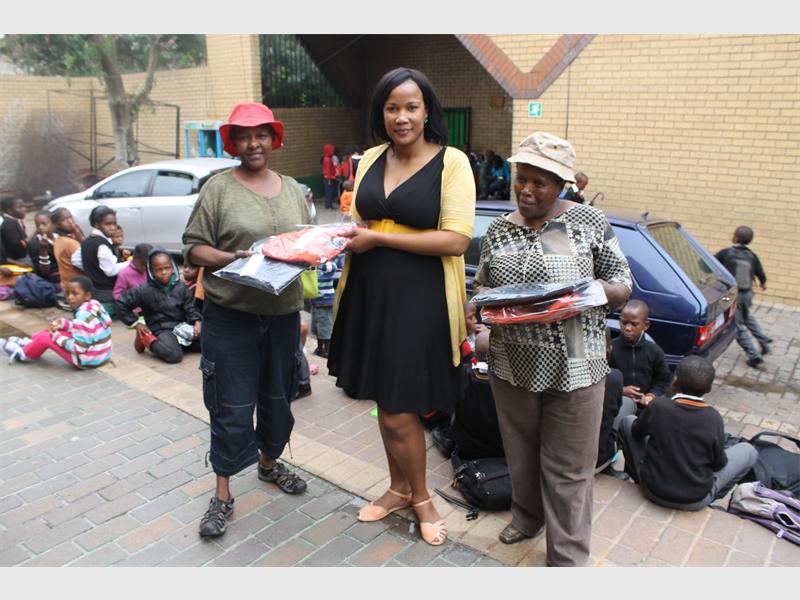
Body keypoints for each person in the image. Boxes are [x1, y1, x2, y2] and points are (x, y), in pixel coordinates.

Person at [328, 67, 476, 547]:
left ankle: (422, 498)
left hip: (421, 300)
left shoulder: (452, 162)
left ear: (427, 110)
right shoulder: (371, 158)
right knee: (383, 399)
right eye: (392, 107)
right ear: (382, 113)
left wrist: (379, 239)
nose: (401, 117)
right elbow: (359, 225)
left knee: (398, 409)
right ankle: (397, 489)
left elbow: (456, 240)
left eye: (411, 106)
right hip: (368, 295)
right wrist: (331, 241)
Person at [475, 131, 631, 566]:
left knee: (568, 467)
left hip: (576, 366)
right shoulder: (500, 230)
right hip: (512, 364)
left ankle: (566, 558)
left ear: (561, 185)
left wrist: (590, 292)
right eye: (521, 179)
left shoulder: (588, 222)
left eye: (539, 183)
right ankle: (528, 519)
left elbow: (622, 283)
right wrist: (484, 306)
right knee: (520, 452)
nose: (526, 190)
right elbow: (484, 284)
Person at [182, 102, 310, 538]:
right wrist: (229, 258)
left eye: (261, 134)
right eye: (243, 136)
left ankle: (269, 465)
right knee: (230, 404)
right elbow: (193, 247)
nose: (253, 143)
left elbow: (302, 242)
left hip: (282, 315)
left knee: (278, 397)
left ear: (273, 139)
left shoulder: (292, 189)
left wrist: (319, 249)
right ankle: (222, 495)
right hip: (231, 317)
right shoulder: (218, 189)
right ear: (233, 143)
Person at [617, 355, 758, 510]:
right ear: (709, 389)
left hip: (652, 489)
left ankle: (636, 476)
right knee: (749, 451)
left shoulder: (658, 406)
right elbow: (718, 464)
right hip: (694, 499)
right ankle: (712, 499)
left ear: (674, 380)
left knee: (628, 421)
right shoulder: (713, 418)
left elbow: (636, 432)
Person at [1, 275, 112, 368]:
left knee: (47, 337)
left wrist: (57, 337)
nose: (70, 297)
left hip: (87, 360)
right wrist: (64, 324)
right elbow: (86, 329)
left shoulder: (82, 317)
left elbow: (79, 349)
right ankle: (31, 344)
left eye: (75, 294)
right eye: (67, 293)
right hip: (101, 355)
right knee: (55, 328)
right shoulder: (94, 305)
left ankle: (24, 354)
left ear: (87, 295)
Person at [117, 248, 201, 363]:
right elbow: (121, 303)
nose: (164, 272)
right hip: (162, 328)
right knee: (174, 355)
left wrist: (197, 321)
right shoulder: (144, 291)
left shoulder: (181, 287)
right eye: (158, 270)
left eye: (167, 268)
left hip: (181, 326)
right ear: (151, 271)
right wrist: (136, 324)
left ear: (173, 267)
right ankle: (147, 339)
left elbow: (190, 306)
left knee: (207, 342)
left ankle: (178, 345)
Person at [715, 226, 772, 368]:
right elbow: (760, 273)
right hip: (747, 295)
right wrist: (763, 283)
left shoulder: (725, 253)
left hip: (730, 296)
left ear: (735, 238)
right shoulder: (752, 256)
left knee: (734, 323)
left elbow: (708, 264)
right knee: (746, 317)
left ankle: (754, 356)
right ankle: (763, 340)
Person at [608, 299, 671, 411]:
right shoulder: (611, 348)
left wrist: (651, 396)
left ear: (646, 325)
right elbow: (603, 379)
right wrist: (621, 390)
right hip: (616, 406)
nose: (628, 328)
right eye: (624, 323)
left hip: (645, 408)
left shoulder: (654, 351)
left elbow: (663, 380)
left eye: (634, 324)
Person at [72, 206, 128, 318]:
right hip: (106, 291)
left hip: (94, 289)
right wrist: (130, 264)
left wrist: (92, 268)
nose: (113, 228)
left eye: (114, 224)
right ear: (97, 224)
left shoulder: (87, 241)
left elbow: (75, 260)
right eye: (108, 224)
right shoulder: (102, 244)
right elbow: (111, 271)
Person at [310, 255, 343, 359]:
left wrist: (319, 260)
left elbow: (332, 267)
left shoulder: (328, 269)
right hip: (315, 305)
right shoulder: (315, 271)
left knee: (326, 331)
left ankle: (327, 351)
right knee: (317, 330)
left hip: (325, 305)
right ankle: (320, 349)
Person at [50, 207, 86, 289]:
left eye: (70, 217)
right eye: (64, 220)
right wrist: (81, 238)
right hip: (79, 286)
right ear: (57, 225)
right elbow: (88, 263)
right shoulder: (70, 243)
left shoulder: (58, 240)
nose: (70, 222)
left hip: (66, 284)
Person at [28, 210, 61, 284]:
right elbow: (44, 272)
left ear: (53, 224)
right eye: (37, 225)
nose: (40, 227)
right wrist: (43, 249)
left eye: (44, 224)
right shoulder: (35, 243)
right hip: (53, 280)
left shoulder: (59, 236)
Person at [0, 195, 31, 266]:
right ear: (10, 210)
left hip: (22, 256)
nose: (24, 209)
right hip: (17, 259)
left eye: (24, 206)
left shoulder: (16, 221)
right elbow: (18, 248)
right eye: (20, 207)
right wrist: (36, 233)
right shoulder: (9, 224)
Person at [322, 143, 339, 210]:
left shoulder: (326, 158)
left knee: (328, 192)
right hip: (329, 178)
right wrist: (329, 180)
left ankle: (328, 205)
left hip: (328, 178)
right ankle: (329, 206)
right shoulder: (328, 160)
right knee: (329, 192)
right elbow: (328, 170)